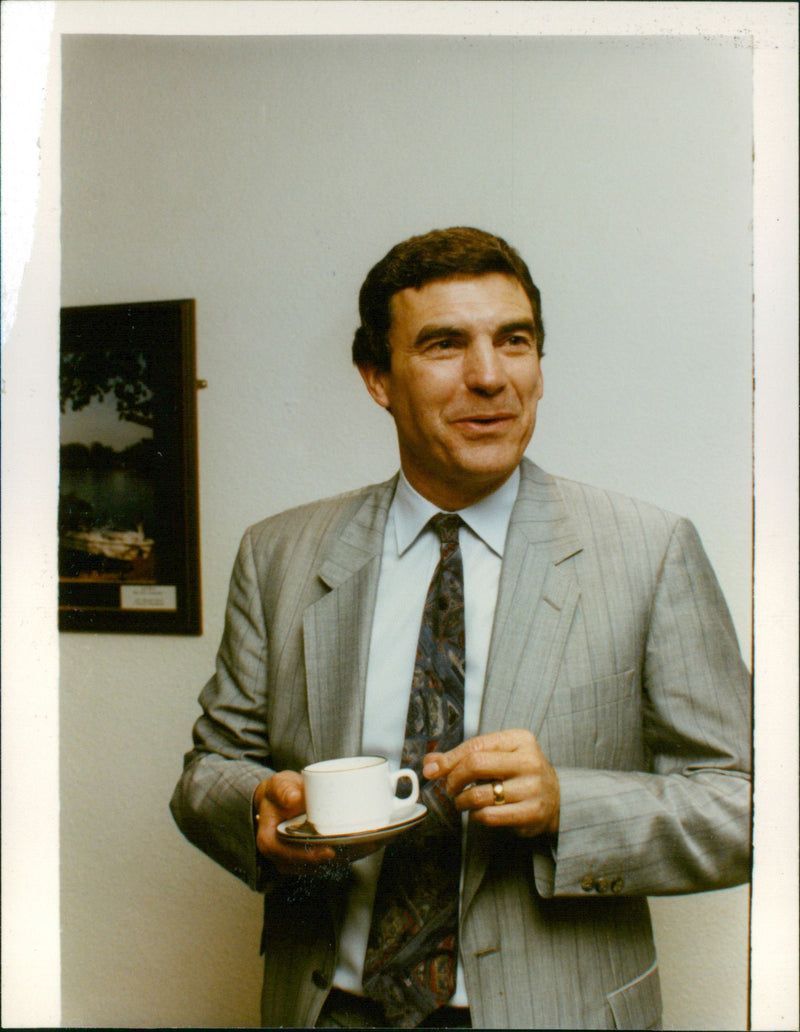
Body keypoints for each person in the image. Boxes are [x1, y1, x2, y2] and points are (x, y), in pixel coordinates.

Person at [170, 227, 751, 1030]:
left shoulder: (650, 551)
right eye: (445, 345)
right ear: (377, 377)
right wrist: (260, 813)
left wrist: (568, 806)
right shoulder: (280, 554)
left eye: (515, 342)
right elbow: (211, 769)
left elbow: (747, 808)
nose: (490, 377)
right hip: (330, 1009)